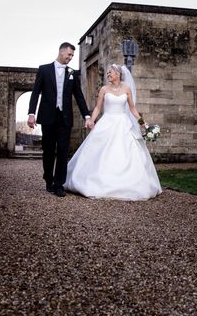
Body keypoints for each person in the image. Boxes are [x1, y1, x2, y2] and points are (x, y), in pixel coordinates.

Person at [65, 64, 162, 201]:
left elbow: (133, 110)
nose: (108, 74)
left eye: (110, 72)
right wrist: (91, 120)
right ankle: (97, 181)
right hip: (107, 123)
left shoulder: (126, 89)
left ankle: (128, 183)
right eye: (108, 72)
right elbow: (98, 108)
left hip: (123, 124)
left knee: (125, 152)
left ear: (118, 74)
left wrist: (144, 124)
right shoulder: (104, 89)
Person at [28, 42, 93, 197]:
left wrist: (87, 115)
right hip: (48, 117)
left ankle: (59, 184)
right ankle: (48, 179)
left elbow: (79, 96)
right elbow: (36, 92)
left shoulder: (72, 73)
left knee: (63, 151)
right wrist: (31, 113)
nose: (70, 58)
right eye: (69, 54)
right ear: (61, 51)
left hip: (65, 118)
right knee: (48, 151)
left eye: (72, 55)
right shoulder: (44, 69)